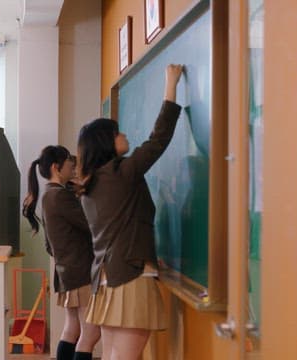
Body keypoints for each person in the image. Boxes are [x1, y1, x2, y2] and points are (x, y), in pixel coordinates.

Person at [77, 64, 184, 360]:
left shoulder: (92, 181)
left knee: (114, 352)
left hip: (109, 277)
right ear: (107, 142)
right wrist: (171, 85)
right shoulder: (120, 173)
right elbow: (158, 139)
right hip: (129, 276)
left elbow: (124, 223)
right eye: (117, 132)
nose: (124, 135)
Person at [22, 146, 100, 360]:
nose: (73, 169)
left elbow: (49, 245)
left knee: (72, 328)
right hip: (80, 271)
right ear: (57, 167)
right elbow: (91, 224)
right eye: (70, 165)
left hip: (66, 271)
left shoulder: (49, 194)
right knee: (91, 332)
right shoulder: (61, 196)